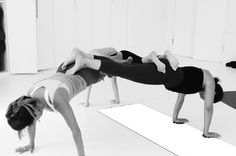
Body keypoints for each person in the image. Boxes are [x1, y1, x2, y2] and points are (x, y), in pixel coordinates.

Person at [63, 48, 224, 138]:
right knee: (126, 71)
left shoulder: (197, 80)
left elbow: (181, 96)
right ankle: (85, 61)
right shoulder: (209, 81)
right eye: (207, 97)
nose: (204, 98)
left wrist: (174, 118)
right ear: (214, 92)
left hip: (169, 74)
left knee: (127, 68)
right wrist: (206, 132)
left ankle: (83, 55)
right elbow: (208, 108)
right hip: (168, 73)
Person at [5, 48, 123, 156]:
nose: (35, 122)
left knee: (118, 68)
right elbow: (30, 121)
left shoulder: (58, 100)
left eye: (34, 119)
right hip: (65, 68)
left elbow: (75, 131)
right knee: (99, 58)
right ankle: (99, 58)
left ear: (35, 113)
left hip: (88, 74)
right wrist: (31, 144)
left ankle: (123, 59)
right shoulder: (28, 99)